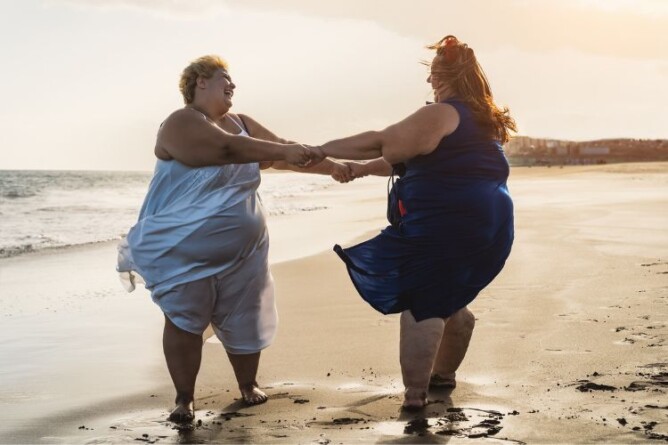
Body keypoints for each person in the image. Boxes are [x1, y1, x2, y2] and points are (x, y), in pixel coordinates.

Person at [117, 55, 349, 422]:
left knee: (246, 314)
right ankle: (184, 399)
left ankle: (248, 384)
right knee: (184, 319)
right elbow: (225, 149)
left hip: (245, 251)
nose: (233, 85)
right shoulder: (181, 122)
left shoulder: (241, 123)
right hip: (183, 248)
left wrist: (332, 167)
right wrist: (282, 152)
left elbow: (284, 151)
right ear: (200, 82)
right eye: (226, 77)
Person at [316, 35, 516, 410]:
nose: (429, 83)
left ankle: (414, 397)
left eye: (434, 75)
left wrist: (321, 150)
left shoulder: (442, 113)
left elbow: (382, 142)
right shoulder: (479, 119)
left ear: (447, 76)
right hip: (487, 227)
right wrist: (358, 172)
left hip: (449, 225)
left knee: (424, 300)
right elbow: (402, 159)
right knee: (450, 298)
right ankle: (443, 377)